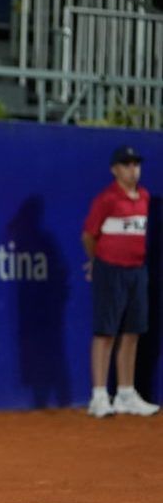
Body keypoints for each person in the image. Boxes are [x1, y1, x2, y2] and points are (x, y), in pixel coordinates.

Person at [82, 145, 158, 418]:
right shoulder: (106, 200)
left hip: (137, 271)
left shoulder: (145, 197)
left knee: (132, 332)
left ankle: (126, 393)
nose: (133, 169)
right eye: (126, 165)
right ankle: (99, 396)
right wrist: (97, 262)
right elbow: (89, 235)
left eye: (136, 164)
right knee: (105, 333)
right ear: (115, 170)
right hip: (110, 271)